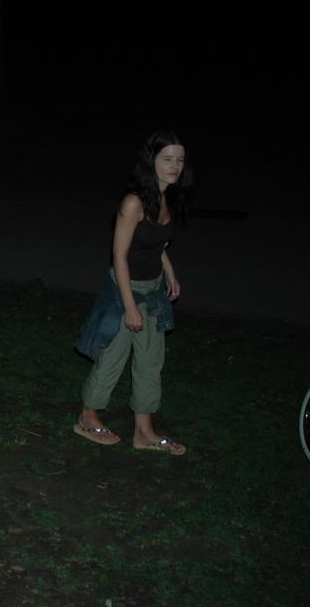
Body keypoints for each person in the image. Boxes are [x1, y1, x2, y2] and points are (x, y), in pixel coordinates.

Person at [73, 131, 193, 455]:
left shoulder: (167, 198)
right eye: (167, 159)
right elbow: (120, 256)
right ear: (152, 161)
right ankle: (87, 417)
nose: (175, 166)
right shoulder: (133, 202)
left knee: (151, 360)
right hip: (125, 289)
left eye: (180, 160)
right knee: (113, 355)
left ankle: (144, 431)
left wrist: (169, 271)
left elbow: (157, 244)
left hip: (153, 288)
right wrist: (129, 306)